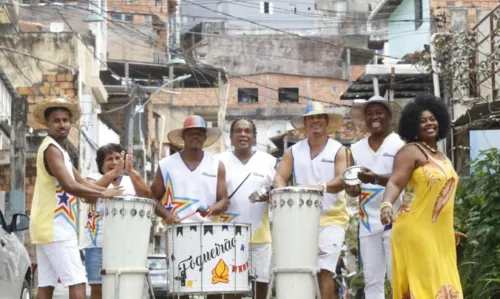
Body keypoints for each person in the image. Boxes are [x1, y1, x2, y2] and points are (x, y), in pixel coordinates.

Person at [29, 96, 123, 299]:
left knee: (46, 284)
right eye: (56, 120)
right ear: (47, 123)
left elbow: (83, 184)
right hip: (56, 226)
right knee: (77, 281)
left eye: (65, 120)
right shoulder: (52, 149)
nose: (62, 124)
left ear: (71, 123)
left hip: (47, 226)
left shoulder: (60, 151)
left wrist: (110, 177)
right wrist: (104, 193)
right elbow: (70, 186)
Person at [380, 94, 466, 298]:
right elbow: (395, 181)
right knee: (427, 287)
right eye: (422, 120)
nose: (429, 123)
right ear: (413, 126)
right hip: (416, 231)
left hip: (439, 235)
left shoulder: (441, 154)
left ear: (440, 121)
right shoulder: (410, 152)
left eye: (432, 118)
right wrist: (386, 204)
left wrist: (447, 229)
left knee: (443, 285)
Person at [273, 102, 360, 299]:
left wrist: (319, 187)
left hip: (332, 218)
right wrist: (281, 190)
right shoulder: (293, 152)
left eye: (319, 117)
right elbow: (279, 176)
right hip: (299, 219)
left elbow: (342, 179)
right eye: (311, 118)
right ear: (305, 123)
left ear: (326, 121)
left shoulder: (339, 150)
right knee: (300, 270)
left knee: (324, 270)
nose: (315, 121)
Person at [81, 143, 173, 299]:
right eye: (109, 159)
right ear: (101, 164)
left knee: (125, 289)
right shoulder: (94, 178)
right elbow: (88, 195)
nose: (114, 162)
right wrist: (113, 174)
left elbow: (147, 195)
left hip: (127, 246)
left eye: (118, 158)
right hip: (97, 244)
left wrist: (130, 172)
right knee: (98, 289)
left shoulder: (130, 180)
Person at [349, 95, 404, 299]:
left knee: (397, 275)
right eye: (369, 113)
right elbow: (353, 190)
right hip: (367, 223)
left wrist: (375, 179)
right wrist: (350, 186)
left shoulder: (400, 144)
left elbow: (402, 177)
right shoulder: (355, 149)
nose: (374, 117)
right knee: (372, 279)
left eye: (379, 112)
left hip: (395, 218)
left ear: (388, 116)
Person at [215, 118, 276, 299]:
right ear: (231, 138)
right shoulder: (218, 161)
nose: (243, 134)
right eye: (238, 131)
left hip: (260, 236)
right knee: (232, 288)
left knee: (260, 287)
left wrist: (270, 193)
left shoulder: (269, 162)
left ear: (255, 137)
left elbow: (280, 189)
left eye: (248, 131)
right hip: (226, 237)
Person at [150, 115, 229, 222]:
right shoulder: (166, 165)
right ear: (184, 136)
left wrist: (212, 209)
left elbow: (224, 201)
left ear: (205, 137)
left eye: (200, 133)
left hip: (208, 231)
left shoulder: (217, 165)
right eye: (191, 133)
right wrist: (167, 215)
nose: (195, 136)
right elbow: (152, 198)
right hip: (176, 230)